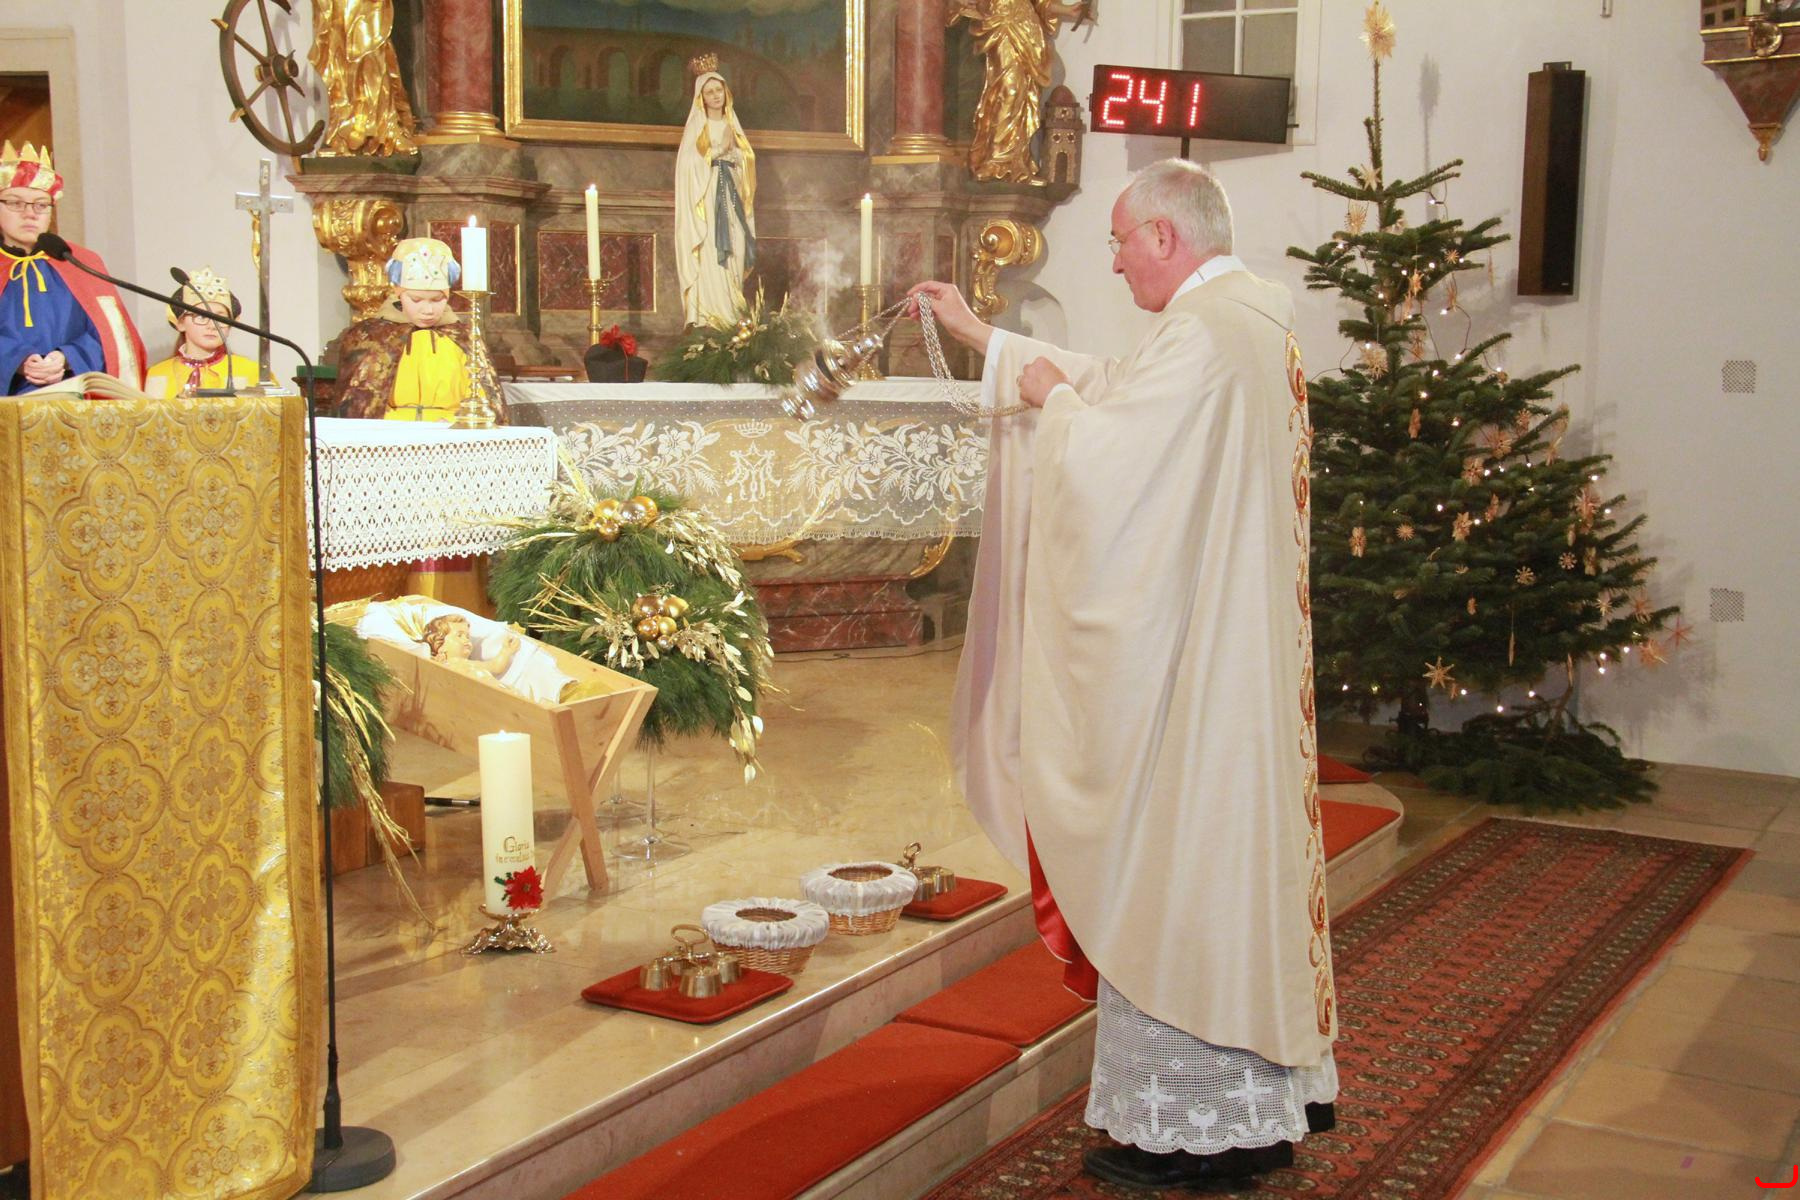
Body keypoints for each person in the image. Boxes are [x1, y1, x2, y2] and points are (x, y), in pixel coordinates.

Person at [910, 158, 1339, 1190]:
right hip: (1231, 666)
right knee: (1226, 874)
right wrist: (988, 340)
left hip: (1194, 682)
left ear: (1164, 237)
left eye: (1118, 240)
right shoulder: (1246, 323)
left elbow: (1114, 459)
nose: (1111, 261)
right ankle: (1254, 1115)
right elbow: (1128, 395)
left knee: (1175, 869)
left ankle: (1196, 1136)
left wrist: (1055, 408)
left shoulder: (1206, 333)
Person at [0, 141, 144, 394]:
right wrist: (17, 359)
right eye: (15, 203)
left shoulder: (81, 262)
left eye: (41, 204)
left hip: (73, 396)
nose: (30, 213)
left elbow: (112, 338)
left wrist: (67, 357)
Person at [334, 236, 504, 422]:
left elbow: (485, 402)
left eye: (437, 300)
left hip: (451, 432)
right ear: (398, 294)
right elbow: (359, 405)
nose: (428, 310)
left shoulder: (464, 339)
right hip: (391, 433)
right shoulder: (371, 337)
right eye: (416, 300)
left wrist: (455, 421)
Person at [674, 57, 756, 328]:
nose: (715, 96)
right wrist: (717, 151)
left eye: (719, 90)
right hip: (708, 200)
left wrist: (737, 156)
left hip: (732, 198)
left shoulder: (733, 125)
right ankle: (710, 316)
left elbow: (747, 162)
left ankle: (732, 313)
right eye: (709, 92)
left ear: (726, 92)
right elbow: (687, 165)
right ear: (702, 98)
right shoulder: (697, 128)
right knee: (711, 250)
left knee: (736, 246)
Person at [143, 267, 260, 398]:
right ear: (180, 323)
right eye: (202, 316)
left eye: (220, 318)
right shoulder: (158, 374)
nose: (212, 326)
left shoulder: (252, 372)